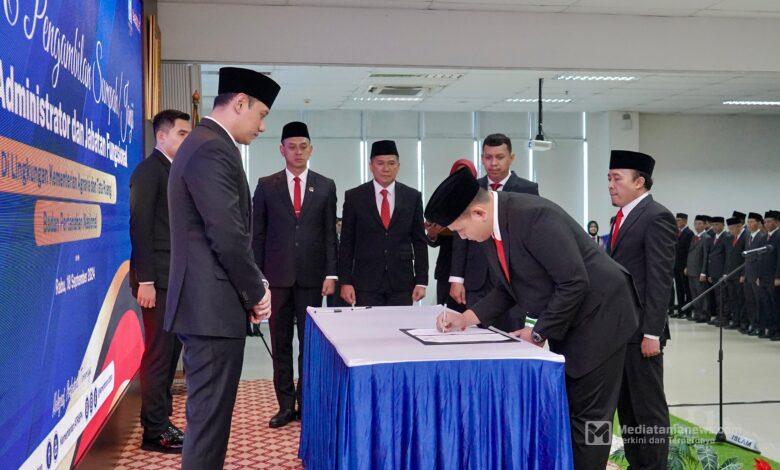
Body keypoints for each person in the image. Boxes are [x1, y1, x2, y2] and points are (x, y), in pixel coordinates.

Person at [427, 168, 640, 470]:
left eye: (460, 230)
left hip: (602, 317)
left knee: (592, 417)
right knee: (570, 407)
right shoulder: (493, 227)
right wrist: (467, 318)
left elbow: (574, 282)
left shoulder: (534, 218)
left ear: (478, 212)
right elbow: (509, 286)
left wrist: (538, 333)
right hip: (571, 316)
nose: (463, 237)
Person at [165, 67, 280, 469]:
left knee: (209, 425)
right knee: (208, 428)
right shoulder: (211, 148)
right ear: (240, 103)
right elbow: (227, 235)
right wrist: (257, 292)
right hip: (210, 312)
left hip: (208, 308)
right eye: (261, 114)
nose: (262, 126)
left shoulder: (205, 144)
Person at [252, 121, 338, 428]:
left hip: (312, 278)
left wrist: (332, 274)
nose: (298, 152)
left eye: (303, 147)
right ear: (282, 150)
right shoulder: (267, 185)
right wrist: (258, 278)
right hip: (276, 279)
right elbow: (258, 236)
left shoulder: (325, 185)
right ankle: (285, 406)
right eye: (292, 147)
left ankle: (307, 402)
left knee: (310, 345)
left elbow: (330, 235)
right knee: (281, 344)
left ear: (311, 150)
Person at [605, 150, 675, 469]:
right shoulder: (621, 218)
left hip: (643, 334)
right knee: (628, 411)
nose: (610, 185)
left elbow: (659, 280)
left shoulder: (656, 216)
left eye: (617, 178)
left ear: (639, 182)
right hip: (621, 332)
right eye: (609, 178)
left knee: (648, 410)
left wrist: (652, 333)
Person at [129, 109, 190, 453]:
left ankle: (161, 420)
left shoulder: (174, 170)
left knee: (169, 356)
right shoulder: (149, 171)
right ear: (162, 136)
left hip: (174, 279)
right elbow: (139, 227)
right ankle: (154, 432)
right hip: (156, 282)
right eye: (182, 133)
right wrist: (147, 281)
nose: (187, 139)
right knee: (158, 355)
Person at [449, 133, 539, 331]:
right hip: (477, 277)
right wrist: (457, 278)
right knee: (476, 334)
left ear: (511, 158)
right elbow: (460, 237)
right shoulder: (471, 188)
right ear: (482, 159)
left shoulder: (528, 189)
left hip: (512, 278)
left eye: (500, 157)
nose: (494, 163)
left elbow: (531, 236)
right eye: (488, 157)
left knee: (511, 335)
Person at [338, 140, 428, 306]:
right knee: (368, 323)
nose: (386, 168)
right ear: (371, 166)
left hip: (402, 281)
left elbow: (419, 241)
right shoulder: (354, 197)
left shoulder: (412, 197)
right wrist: (345, 281)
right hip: (365, 281)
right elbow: (346, 242)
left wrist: (421, 280)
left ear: (398, 166)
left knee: (400, 323)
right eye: (380, 163)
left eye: (391, 163)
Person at [426, 158, 477, 311]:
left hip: (472, 268)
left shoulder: (478, 199)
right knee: (445, 312)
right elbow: (434, 239)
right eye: (458, 173)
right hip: (446, 268)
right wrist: (432, 234)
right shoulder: (444, 200)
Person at [742, 212, 766, 336]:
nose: (749, 224)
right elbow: (745, 258)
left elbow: (762, 259)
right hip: (747, 274)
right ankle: (752, 324)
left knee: (758, 302)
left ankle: (760, 327)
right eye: (748, 222)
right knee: (749, 301)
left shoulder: (762, 237)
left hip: (756, 276)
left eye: (751, 222)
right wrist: (743, 274)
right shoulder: (748, 236)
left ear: (758, 223)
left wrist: (759, 275)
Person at [706, 217, 732, 326]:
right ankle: (718, 316)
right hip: (714, 272)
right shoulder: (713, 237)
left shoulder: (726, 237)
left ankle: (724, 318)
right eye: (713, 225)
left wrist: (725, 273)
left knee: (723, 297)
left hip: (722, 273)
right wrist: (710, 273)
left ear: (722, 225)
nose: (714, 227)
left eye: (717, 224)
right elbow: (711, 256)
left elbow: (728, 257)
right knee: (717, 296)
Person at [684, 215, 710, 322]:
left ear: (704, 225)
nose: (697, 226)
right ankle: (697, 313)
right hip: (691, 270)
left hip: (699, 271)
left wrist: (703, 272)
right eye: (695, 224)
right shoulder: (694, 237)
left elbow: (705, 256)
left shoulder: (706, 237)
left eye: (700, 224)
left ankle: (704, 314)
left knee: (701, 294)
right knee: (694, 294)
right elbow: (690, 253)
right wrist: (687, 266)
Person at [758, 211, 779, 339]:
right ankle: (770, 329)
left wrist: (778, 277)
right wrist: (759, 276)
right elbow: (760, 258)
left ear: (776, 222)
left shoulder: (779, 236)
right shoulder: (764, 237)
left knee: (776, 305)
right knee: (766, 304)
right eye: (765, 222)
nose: (766, 224)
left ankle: (778, 331)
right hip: (764, 277)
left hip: (774, 277)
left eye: (769, 221)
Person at [723, 216, 747, 330]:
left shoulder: (745, 237)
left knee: (741, 299)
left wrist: (743, 274)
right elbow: (728, 257)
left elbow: (745, 259)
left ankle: (743, 322)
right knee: (733, 299)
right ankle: (735, 320)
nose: (730, 231)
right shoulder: (730, 238)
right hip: (730, 274)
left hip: (739, 274)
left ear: (739, 226)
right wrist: (725, 273)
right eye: (729, 228)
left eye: (732, 228)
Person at [670, 213, 694, 318]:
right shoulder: (676, 232)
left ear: (685, 221)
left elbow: (689, 251)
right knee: (679, 289)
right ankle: (680, 311)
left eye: (679, 220)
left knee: (686, 289)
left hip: (684, 266)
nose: (677, 222)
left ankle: (688, 311)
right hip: (676, 265)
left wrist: (687, 266)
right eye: (676, 220)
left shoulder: (689, 233)